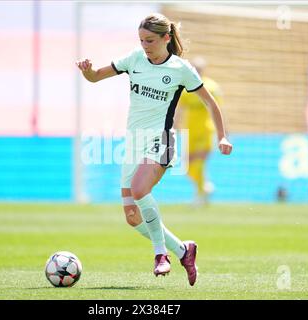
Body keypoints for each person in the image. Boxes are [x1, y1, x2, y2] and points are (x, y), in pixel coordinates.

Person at [76, 13, 232, 286]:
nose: (145, 45)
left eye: (150, 40)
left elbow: (210, 103)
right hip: (133, 142)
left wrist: (223, 137)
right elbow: (96, 77)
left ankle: (161, 255)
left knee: (139, 190)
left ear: (166, 38)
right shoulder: (135, 59)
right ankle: (184, 250)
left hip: (162, 139)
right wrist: (88, 71)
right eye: (141, 40)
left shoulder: (181, 69)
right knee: (133, 217)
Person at [176, 57, 224, 205]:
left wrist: (224, 132)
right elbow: (180, 109)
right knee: (187, 166)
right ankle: (204, 187)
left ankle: (201, 193)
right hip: (190, 130)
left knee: (200, 162)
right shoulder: (185, 88)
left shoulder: (211, 87)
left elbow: (219, 109)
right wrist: (175, 125)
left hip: (206, 129)